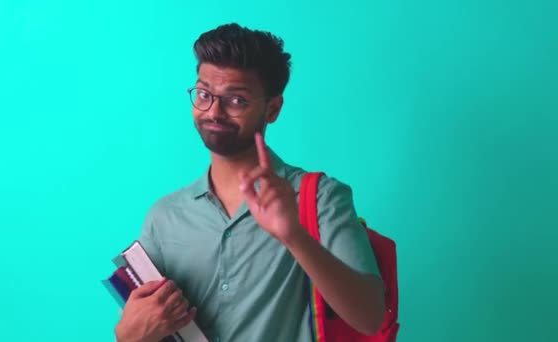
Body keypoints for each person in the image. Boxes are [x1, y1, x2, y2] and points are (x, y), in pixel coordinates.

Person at [114, 23, 386, 342]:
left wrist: (295, 237)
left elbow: (371, 318)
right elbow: (150, 328)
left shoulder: (320, 198)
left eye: (237, 100)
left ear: (272, 109)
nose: (214, 111)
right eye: (203, 95)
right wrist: (128, 336)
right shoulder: (164, 217)